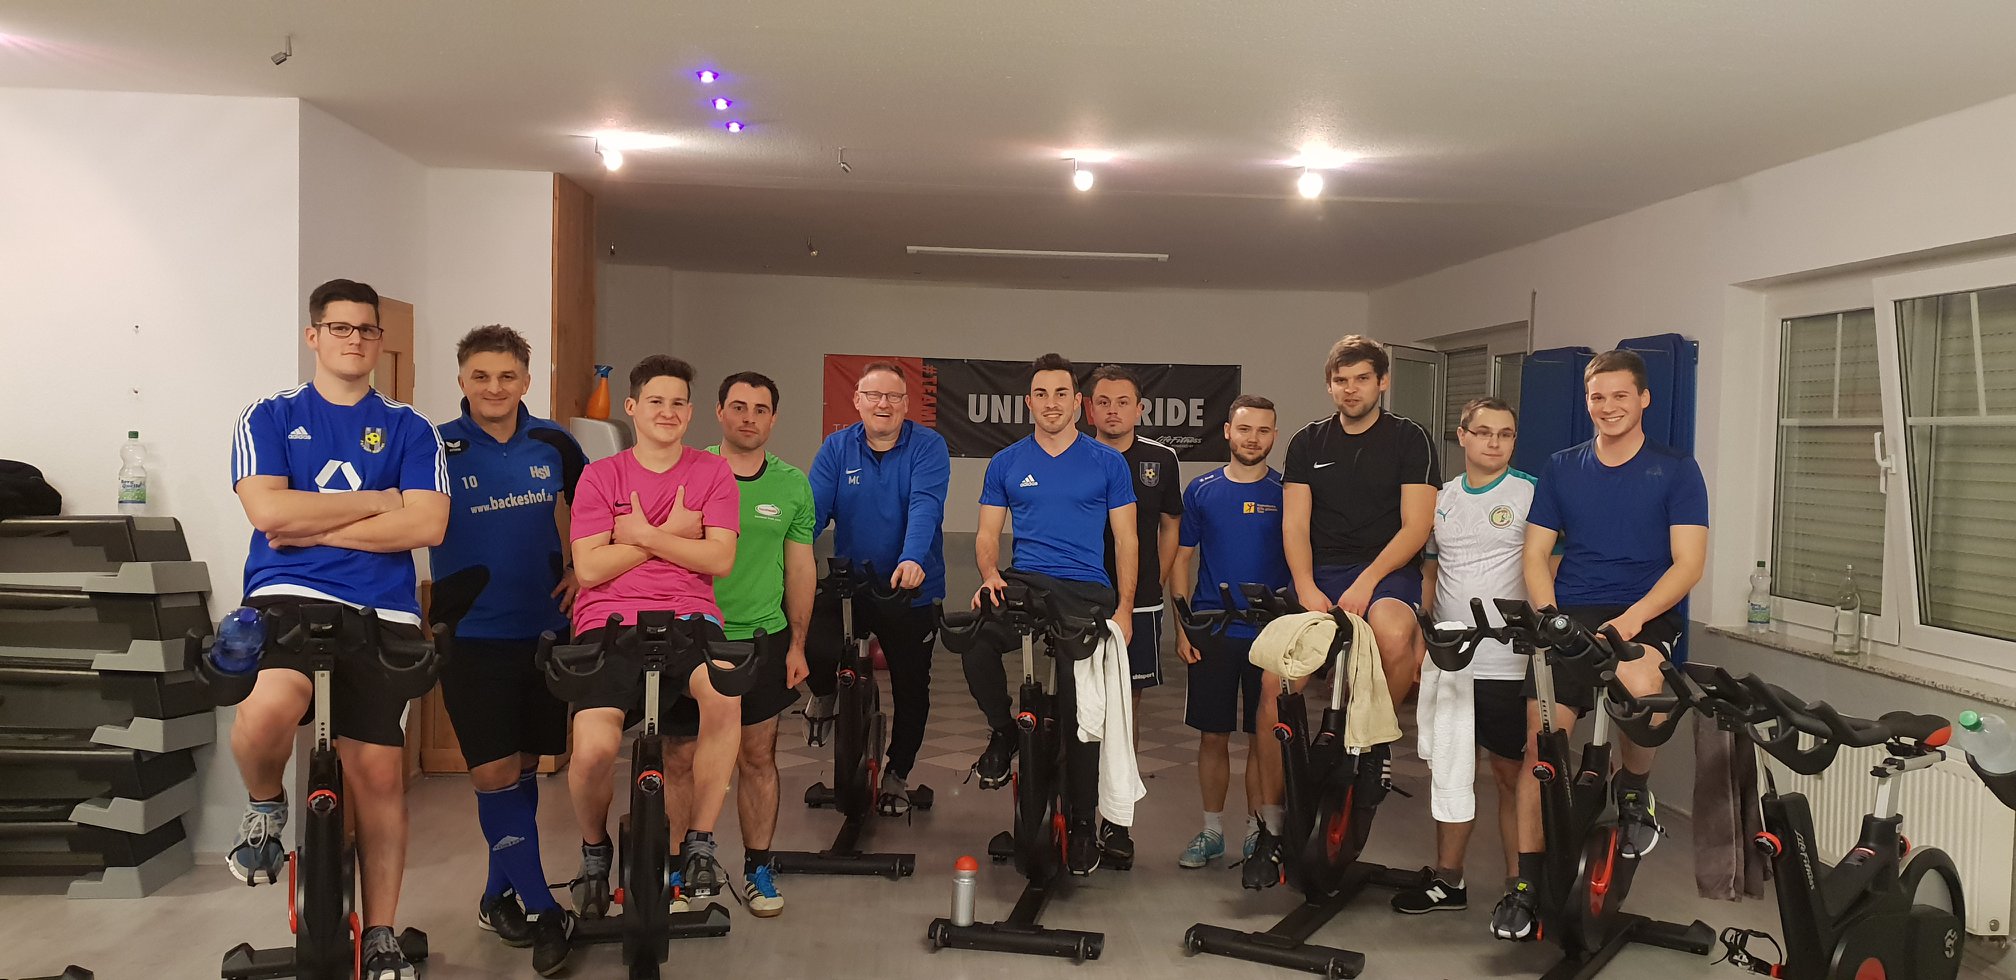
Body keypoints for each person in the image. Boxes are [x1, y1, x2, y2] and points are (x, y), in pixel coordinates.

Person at [227, 278, 450, 980]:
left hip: (383, 613)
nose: (355, 340)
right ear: (314, 336)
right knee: (268, 709)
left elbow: (428, 524)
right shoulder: (268, 415)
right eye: (340, 328)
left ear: (380, 340)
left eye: (367, 329)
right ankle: (266, 807)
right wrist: (377, 503)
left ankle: (379, 931)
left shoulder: (411, 428)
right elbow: (269, 516)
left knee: (378, 772)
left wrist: (314, 522)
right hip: (286, 598)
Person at [1490, 349, 1708, 940]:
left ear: (1644, 399)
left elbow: (1688, 565)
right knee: (1542, 743)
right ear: (1586, 401)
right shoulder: (1562, 467)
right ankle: (1525, 886)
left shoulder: (1676, 470)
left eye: (1619, 396)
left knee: (1640, 693)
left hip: (1646, 609)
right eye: (1597, 397)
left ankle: (1633, 788)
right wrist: (1550, 617)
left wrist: (1633, 621)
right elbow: (1536, 554)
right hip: (1575, 610)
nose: (1608, 407)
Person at [429, 325, 587, 972]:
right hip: (470, 636)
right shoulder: (435, 445)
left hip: (545, 629)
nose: (494, 388)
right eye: (480, 376)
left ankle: (498, 897)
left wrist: (581, 568)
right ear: (462, 380)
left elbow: (596, 509)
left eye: (506, 376)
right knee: (492, 775)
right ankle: (546, 910)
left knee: (523, 768)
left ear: (526, 380)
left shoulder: (555, 442)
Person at [565, 355, 745, 908]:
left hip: (690, 619)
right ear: (632, 407)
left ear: (690, 412)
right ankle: (594, 852)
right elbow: (589, 570)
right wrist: (673, 535)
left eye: (678, 403)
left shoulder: (713, 473)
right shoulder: (601, 476)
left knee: (725, 695)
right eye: (656, 401)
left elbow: (719, 559)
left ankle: (700, 842)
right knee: (593, 750)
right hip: (607, 623)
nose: (667, 412)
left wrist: (639, 535)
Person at [962, 352, 1138, 874]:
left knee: (1082, 707)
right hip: (1026, 582)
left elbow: (1127, 540)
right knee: (975, 642)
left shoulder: (1107, 462)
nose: (1052, 403)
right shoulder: (1007, 462)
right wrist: (990, 576)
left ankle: (1083, 824)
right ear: (1029, 402)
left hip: (1086, 590)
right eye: (1041, 394)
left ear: (1078, 403)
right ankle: (1003, 732)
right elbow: (987, 533)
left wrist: (1125, 610)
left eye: (1061, 394)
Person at [1264, 335, 1438, 837]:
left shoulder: (1410, 438)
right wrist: (1304, 585)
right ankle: (1272, 820)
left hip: (1387, 569)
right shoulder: (1308, 442)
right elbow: (1294, 525)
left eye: (1362, 379)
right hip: (1320, 571)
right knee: (1274, 684)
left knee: (1392, 633)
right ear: (1329, 386)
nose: (1351, 389)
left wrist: (1368, 581)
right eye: (1341, 380)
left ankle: (1374, 741)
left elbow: (1416, 527)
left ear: (1382, 382)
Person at [660, 372, 815, 919]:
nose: (749, 417)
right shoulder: (686, 469)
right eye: (739, 407)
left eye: (761, 409)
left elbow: (800, 568)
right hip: (689, 635)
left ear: (773, 419)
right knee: (680, 756)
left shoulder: (792, 485)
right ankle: (678, 873)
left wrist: (798, 644)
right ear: (719, 413)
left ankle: (758, 869)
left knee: (756, 756)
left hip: (761, 639)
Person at [1389, 397, 1537, 916]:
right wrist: (1421, 640)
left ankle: (1521, 888)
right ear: (1463, 436)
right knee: (1452, 771)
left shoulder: (1531, 493)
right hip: (1451, 658)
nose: (1495, 442)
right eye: (1484, 432)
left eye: (1506, 434)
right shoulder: (1442, 498)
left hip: (1508, 661)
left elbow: (1549, 571)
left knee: (1511, 776)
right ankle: (1448, 880)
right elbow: (1430, 573)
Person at [805, 359, 950, 814]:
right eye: (873, 395)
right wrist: (788, 556)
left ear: (906, 404)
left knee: (912, 686)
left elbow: (926, 505)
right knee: (812, 641)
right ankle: (825, 692)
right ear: (857, 401)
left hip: (910, 587)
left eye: (893, 396)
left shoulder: (928, 446)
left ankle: (897, 774)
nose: (883, 404)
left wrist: (912, 558)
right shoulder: (837, 447)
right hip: (853, 583)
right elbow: (812, 513)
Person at [1169, 395, 1290, 869]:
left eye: (1263, 430)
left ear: (1274, 435)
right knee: (1212, 736)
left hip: (1270, 636)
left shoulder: (1287, 492)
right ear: (1227, 431)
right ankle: (1211, 831)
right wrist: (1184, 627)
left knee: (1264, 738)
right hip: (1213, 632)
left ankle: (1258, 833)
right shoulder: (1201, 490)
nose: (1253, 439)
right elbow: (1181, 560)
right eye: (1244, 429)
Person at [1086, 365, 1184, 717]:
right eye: (1104, 402)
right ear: (1090, 409)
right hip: (1083, 594)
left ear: (1139, 409)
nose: (1113, 410)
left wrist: (1157, 579)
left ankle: (1123, 759)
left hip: (1141, 599)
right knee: (1079, 696)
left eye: (1123, 402)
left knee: (1128, 701)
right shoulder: (1075, 456)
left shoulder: (1161, 459)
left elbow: (1171, 525)